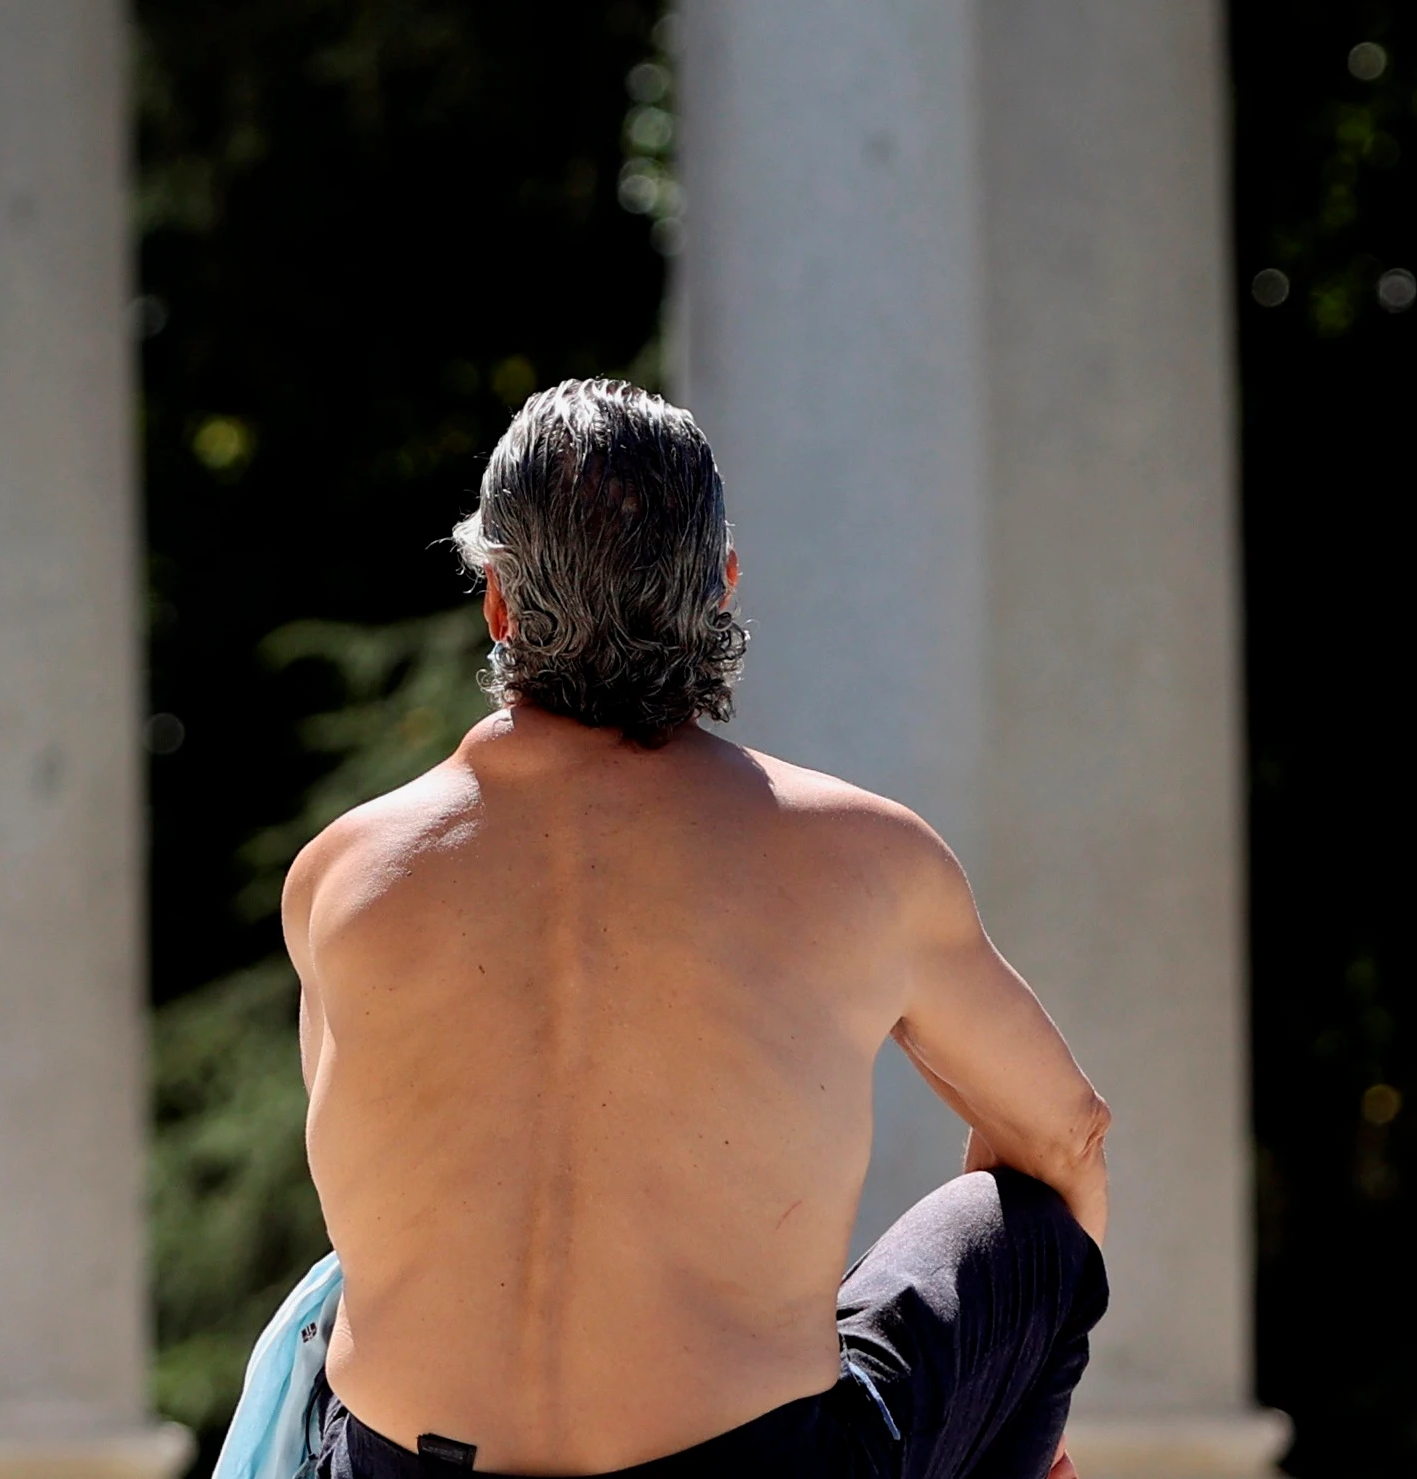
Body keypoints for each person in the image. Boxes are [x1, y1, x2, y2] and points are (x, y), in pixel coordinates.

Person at [283, 378, 1113, 1479]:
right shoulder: (868, 858)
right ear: (721, 588)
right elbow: (1066, 1137)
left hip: (408, 1464)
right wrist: (1017, 1426)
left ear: (496, 601)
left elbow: (363, 1209)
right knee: (1030, 1234)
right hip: (748, 1466)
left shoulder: (342, 873)